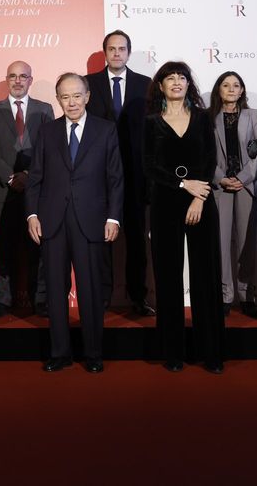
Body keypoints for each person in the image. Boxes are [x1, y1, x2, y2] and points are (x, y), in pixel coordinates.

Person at [27, 73, 123, 373]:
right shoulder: (47, 131)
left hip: (92, 220)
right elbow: (35, 178)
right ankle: (60, 353)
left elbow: (115, 178)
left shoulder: (105, 130)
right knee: (55, 290)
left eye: (77, 95)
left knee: (91, 291)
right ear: (58, 99)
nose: (72, 102)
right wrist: (32, 215)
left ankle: (93, 354)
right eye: (65, 96)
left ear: (87, 96)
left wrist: (113, 216)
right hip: (52, 221)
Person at [144, 61, 225, 374]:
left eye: (182, 77)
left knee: (206, 278)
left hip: (202, 203)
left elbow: (209, 161)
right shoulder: (151, 123)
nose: (176, 82)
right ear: (161, 86)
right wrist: (182, 184)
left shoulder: (203, 119)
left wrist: (197, 197)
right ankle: (173, 352)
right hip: (164, 204)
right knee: (168, 279)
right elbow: (149, 166)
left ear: (189, 84)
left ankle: (212, 353)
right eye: (170, 78)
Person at [85, 30, 154, 315]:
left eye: (122, 49)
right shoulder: (88, 84)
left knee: (137, 240)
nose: (117, 53)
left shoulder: (146, 84)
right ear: (105, 52)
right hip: (99, 176)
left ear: (128, 52)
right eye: (111, 49)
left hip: (137, 176)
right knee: (101, 240)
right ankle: (101, 297)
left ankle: (137, 298)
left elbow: (152, 131)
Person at [0, 61, 54, 318]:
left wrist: (28, 176)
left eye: (23, 76)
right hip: (3, 191)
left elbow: (50, 149)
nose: (18, 80)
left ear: (30, 80)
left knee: (39, 248)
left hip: (37, 191)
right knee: (4, 248)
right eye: (13, 76)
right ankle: (3, 300)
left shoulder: (45, 110)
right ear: (7, 79)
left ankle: (41, 300)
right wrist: (10, 177)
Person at [209, 71, 257, 318]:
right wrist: (221, 177)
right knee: (221, 244)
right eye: (226, 85)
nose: (232, 89)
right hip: (220, 186)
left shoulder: (252, 115)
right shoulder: (208, 117)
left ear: (242, 90)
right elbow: (203, 153)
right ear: (219, 90)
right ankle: (225, 296)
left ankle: (247, 296)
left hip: (247, 185)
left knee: (247, 244)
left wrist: (243, 177)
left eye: (236, 85)